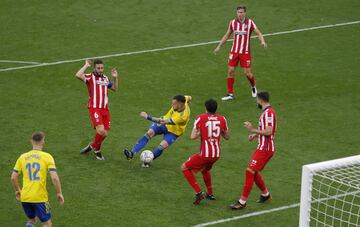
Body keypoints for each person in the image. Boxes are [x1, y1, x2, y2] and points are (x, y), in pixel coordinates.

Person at [229, 91, 276, 209]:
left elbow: (269, 131)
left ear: (260, 100)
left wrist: (253, 130)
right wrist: (255, 135)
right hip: (262, 147)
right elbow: (265, 129)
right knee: (253, 172)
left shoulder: (268, 113)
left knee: (249, 171)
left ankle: (242, 202)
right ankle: (265, 194)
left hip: (266, 148)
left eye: (257, 100)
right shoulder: (266, 112)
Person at [213, 5, 268, 100]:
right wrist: (219, 46)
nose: (240, 14)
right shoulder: (233, 23)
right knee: (230, 71)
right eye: (238, 12)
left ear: (245, 13)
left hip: (245, 52)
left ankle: (253, 85)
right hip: (234, 51)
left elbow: (258, 33)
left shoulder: (250, 23)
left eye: (241, 12)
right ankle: (230, 94)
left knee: (247, 73)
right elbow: (227, 35)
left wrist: (262, 41)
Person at [11, 132, 64, 227]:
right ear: (43, 142)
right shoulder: (47, 157)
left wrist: (18, 190)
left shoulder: (22, 157)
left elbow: (13, 177)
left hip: (25, 196)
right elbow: (55, 178)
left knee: (31, 220)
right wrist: (59, 193)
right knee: (47, 224)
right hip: (40, 197)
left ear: (31, 141)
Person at [181, 99, 229, 205]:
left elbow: (192, 137)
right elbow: (227, 137)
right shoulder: (222, 119)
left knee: (184, 167)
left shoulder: (200, 118)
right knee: (205, 170)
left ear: (206, 108)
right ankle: (210, 193)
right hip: (216, 155)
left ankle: (199, 192)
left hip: (205, 154)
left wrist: (201, 132)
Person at [124, 95, 191, 167]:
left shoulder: (183, 116)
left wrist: (147, 116)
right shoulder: (184, 100)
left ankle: (148, 161)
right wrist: (190, 101)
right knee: (149, 133)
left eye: (174, 104)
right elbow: (189, 97)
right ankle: (131, 153)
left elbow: (161, 121)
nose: (172, 105)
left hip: (174, 131)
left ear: (180, 105)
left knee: (162, 146)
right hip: (165, 124)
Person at [75, 59, 119, 160]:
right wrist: (86, 65)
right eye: (98, 68)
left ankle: (92, 146)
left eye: (102, 68)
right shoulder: (90, 77)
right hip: (94, 108)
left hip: (105, 109)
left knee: (104, 134)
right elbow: (78, 75)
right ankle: (97, 151)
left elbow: (115, 89)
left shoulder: (106, 78)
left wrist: (115, 78)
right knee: (101, 131)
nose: (100, 70)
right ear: (94, 68)